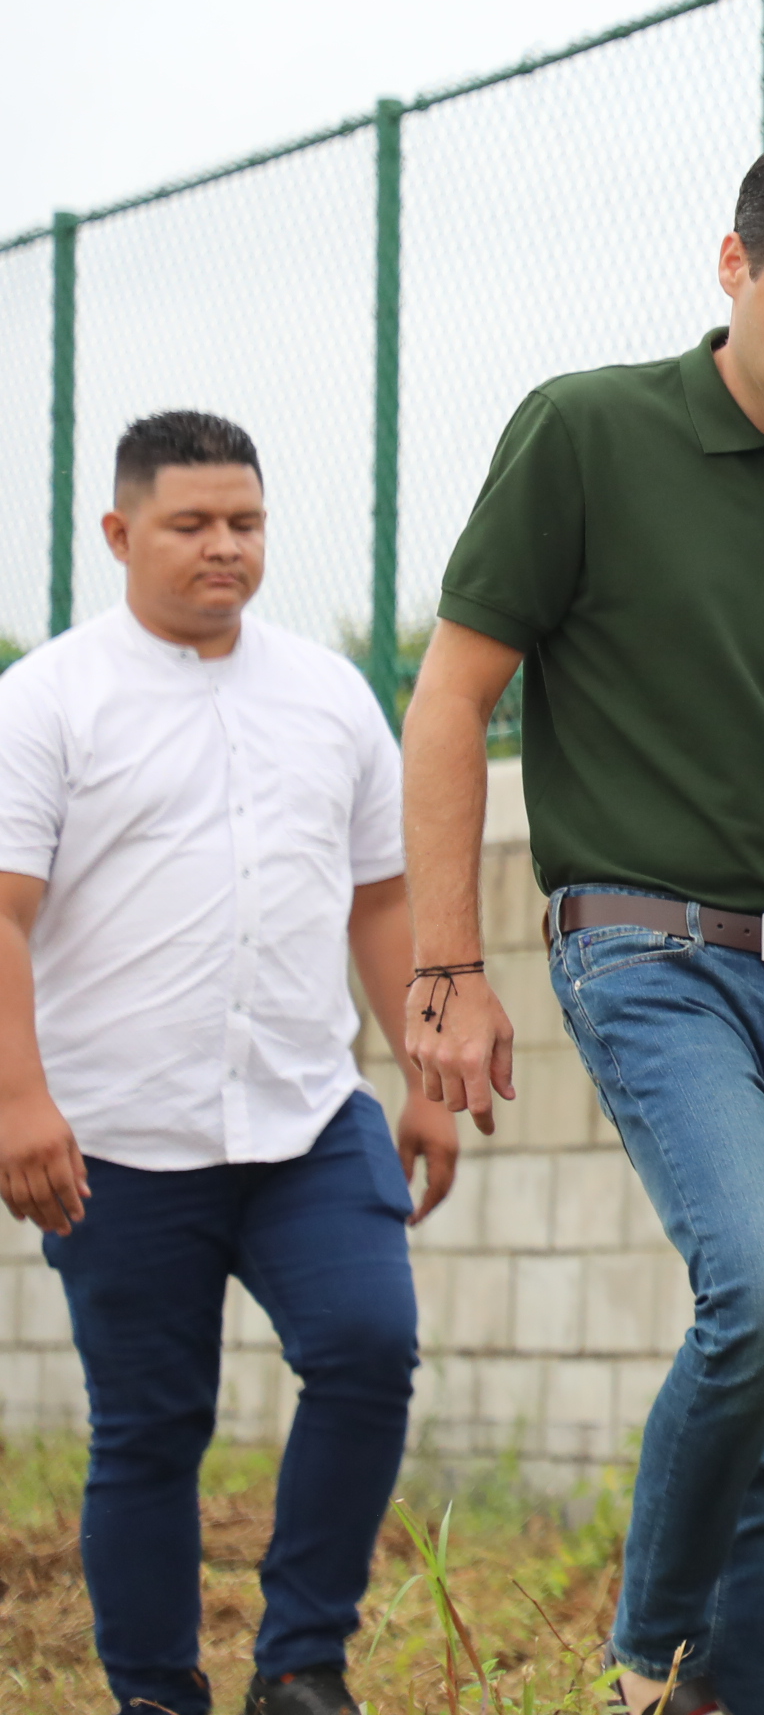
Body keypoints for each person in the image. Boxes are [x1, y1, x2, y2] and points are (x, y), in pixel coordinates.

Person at [398, 131, 764, 1715]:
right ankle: (645, 1665)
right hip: (648, 953)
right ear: (733, 268)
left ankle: (734, 1701)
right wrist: (449, 968)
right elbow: (451, 700)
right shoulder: (585, 434)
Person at [0, 410, 446, 1715]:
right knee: (150, 1430)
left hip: (310, 1117)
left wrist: (420, 1074)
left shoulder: (328, 694)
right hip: (116, 1142)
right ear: (120, 533)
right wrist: (19, 1102)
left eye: (244, 523)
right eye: (192, 524)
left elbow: (379, 902)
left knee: (368, 1347)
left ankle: (303, 1665)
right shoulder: (46, 702)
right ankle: (154, 1695)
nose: (224, 548)